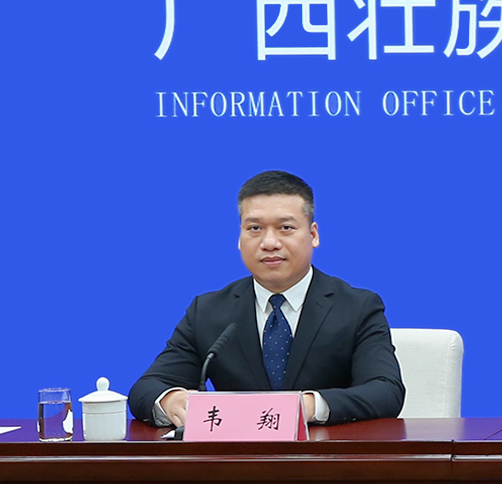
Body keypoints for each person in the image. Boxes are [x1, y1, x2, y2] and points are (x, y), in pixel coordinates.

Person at [130, 170, 405, 427]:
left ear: (313, 235)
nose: (269, 243)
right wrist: (171, 400)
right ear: (239, 238)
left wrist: (306, 406)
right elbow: (146, 388)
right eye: (254, 229)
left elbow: (386, 391)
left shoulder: (357, 307)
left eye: (285, 227)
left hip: (326, 455)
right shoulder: (208, 311)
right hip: (237, 457)